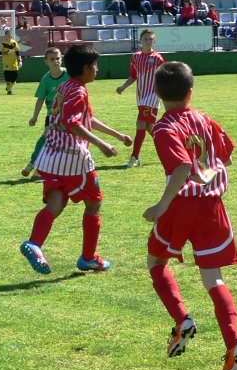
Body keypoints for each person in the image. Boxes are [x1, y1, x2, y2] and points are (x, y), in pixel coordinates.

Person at [143, 61, 237, 370]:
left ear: (158, 94)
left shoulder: (163, 128)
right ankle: (234, 344)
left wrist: (161, 205)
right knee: (213, 278)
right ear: (191, 92)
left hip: (182, 205)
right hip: (213, 206)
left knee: (156, 261)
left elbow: (179, 170)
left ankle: (182, 321)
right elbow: (227, 156)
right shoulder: (203, 119)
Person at [18, 43, 132, 275]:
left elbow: (87, 117)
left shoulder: (66, 86)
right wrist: (101, 145)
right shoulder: (79, 90)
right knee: (94, 202)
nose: (97, 70)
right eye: (95, 66)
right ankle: (88, 258)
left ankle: (34, 243)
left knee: (56, 202)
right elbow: (73, 123)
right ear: (86, 68)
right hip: (73, 159)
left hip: (50, 157)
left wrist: (117, 135)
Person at [115, 28, 166, 168]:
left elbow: (163, 77)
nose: (148, 41)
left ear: (154, 40)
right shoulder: (136, 57)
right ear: (140, 41)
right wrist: (123, 87)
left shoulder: (158, 58)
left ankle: (134, 157)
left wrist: (163, 94)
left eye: (151, 39)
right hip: (141, 96)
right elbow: (133, 75)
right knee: (150, 127)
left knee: (140, 123)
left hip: (152, 96)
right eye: (146, 39)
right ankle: (169, 146)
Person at [22, 47, 69, 179]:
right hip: (53, 116)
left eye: (58, 58)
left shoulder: (69, 74)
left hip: (69, 115)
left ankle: (39, 169)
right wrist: (35, 117)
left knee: (57, 142)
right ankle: (34, 164)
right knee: (46, 139)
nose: (56, 61)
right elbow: (40, 99)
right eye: (52, 59)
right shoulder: (46, 80)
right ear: (46, 62)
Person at [0, 27, 22, 95]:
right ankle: (9, 91)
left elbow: (18, 52)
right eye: (8, 34)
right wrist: (6, 53)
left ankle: (9, 87)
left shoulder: (14, 42)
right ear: (6, 35)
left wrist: (20, 60)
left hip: (14, 62)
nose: (10, 35)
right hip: (7, 63)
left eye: (10, 33)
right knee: (8, 77)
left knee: (15, 77)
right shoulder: (3, 43)